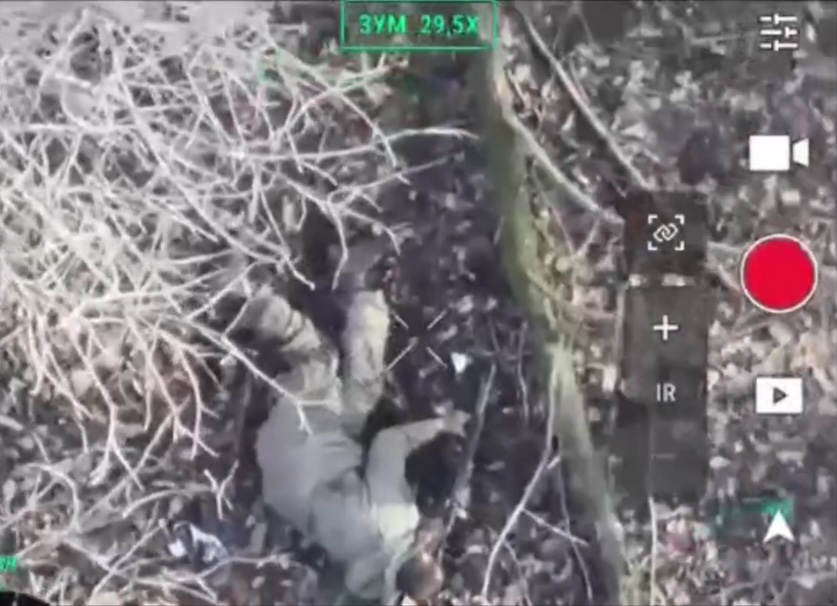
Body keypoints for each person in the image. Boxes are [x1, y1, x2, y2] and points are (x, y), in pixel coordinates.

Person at [231, 284, 468, 605]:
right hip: (282, 482)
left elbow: (390, 442)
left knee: (318, 355)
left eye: (429, 555)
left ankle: (240, 299)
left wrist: (442, 425)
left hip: (301, 435)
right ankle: (366, 302)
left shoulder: (395, 520)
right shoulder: (364, 580)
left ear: (423, 557)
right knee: (362, 399)